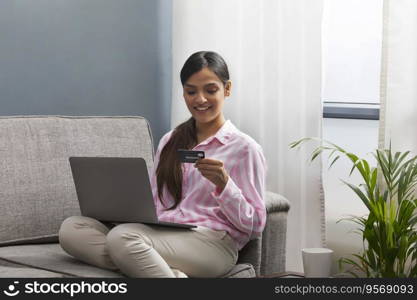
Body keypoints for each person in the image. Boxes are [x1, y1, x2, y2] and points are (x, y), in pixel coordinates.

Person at [59, 51, 267, 278]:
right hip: (161, 234)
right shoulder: (170, 140)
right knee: (72, 229)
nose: (200, 99)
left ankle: (142, 261)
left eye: (210, 90)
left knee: (123, 237)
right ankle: (166, 272)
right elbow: (155, 201)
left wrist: (225, 185)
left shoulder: (244, 148)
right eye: (191, 91)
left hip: (213, 244)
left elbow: (255, 226)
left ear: (226, 89)